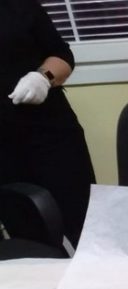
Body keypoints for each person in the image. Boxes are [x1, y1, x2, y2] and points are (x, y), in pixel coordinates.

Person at [1, 0, 96, 247]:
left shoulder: (16, 5)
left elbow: (62, 55)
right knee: (28, 235)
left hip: (51, 134)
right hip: (3, 153)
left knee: (87, 225)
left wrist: (42, 78)